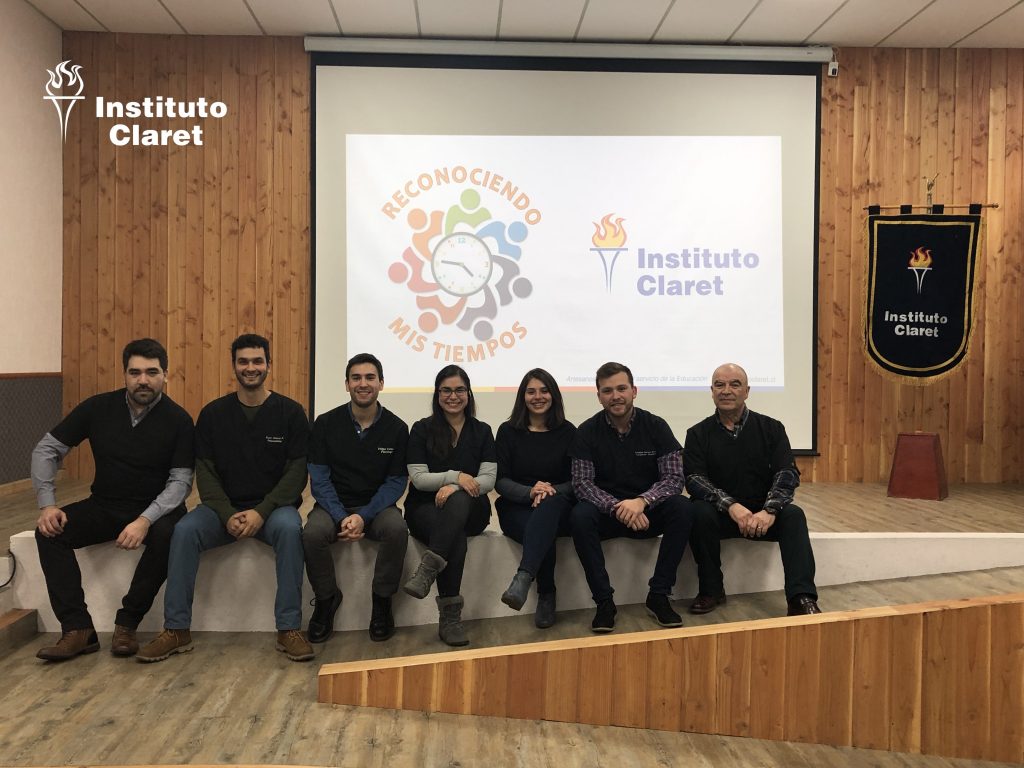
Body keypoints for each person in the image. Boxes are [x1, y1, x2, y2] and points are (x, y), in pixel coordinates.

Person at [136, 333, 313, 662]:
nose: (250, 367)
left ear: (269, 365)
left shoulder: (290, 413)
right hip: (221, 512)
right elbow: (204, 472)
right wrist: (227, 513)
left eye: (257, 361)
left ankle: (289, 628)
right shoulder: (213, 414)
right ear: (234, 366)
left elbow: (296, 473)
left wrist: (261, 511)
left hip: (273, 511)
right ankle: (177, 629)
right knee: (184, 530)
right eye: (243, 361)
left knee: (291, 531)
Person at [32, 338, 195, 661]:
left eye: (152, 372)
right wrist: (47, 504)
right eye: (135, 372)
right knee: (49, 532)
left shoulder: (179, 420)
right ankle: (78, 629)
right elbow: (46, 450)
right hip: (105, 504)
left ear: (165, 375)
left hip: (158, 511)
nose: (143, 380)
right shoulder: (97, 408)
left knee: (171, 534)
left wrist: (144, 520)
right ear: (125, 375)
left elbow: (180, 483)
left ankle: (127, 624)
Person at [683, 362, 821, 616]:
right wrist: (732, 507)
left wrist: (770, 510)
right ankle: (711, 589)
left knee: (794, 515)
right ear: (712, 392)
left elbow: (787, 473)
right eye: (719, 385)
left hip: (763, 515)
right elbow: (694, 479)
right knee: (698, 512)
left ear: (747, 391)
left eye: (734, 384)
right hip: (722, 514)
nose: (726, 390)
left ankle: (800, 596)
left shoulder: (772, 428)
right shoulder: (697, 433)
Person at [570, 361, 692, 633]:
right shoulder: (586, 432)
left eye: (621, 388)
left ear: (634, 391)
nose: (615, 396)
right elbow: (582, 484)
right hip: (608, 514)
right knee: (579, 515)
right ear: (599, 396)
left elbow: (674, 478)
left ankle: (659, 594)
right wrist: (617, 507)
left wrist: (641, 502)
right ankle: (604, 602)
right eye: (607, 391)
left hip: (647, 511)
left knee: (683, 507)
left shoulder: (656, 426)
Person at [302, 353, 410, 644]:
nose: (363, 384)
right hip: (332, 507)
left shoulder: (397, 428)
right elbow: (319, 478)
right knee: (312, 534)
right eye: (356, 378)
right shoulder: (325, 424)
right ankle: (326, 599)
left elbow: (396, 482)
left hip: (377, 508)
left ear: (381, 383)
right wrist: (341, 516)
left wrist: (363, 516)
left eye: (370, 377)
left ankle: (382, 602)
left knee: (397, 529)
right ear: (346, 384)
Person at [402, 365, 496, 647]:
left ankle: (428, 568)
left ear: (468, 393)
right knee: (454, 536)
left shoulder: (482, 431)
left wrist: (455, 487)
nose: (453, 396)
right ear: (437, 394)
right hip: (424, 510)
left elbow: (488, 480)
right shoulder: (421, 429)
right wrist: (456, 476)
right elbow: (419, 479)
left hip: (473, 510)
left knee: (459, 501)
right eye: (446, 390)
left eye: (459, 390)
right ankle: (450, 618)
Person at [496, 368, 576, 628]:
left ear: (554, 395)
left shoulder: (568, 432)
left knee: (547, 514)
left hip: (558, 505)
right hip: (516, 508)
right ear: (523, 396)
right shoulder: (507, 431)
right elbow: (500, 480)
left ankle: (525, 576)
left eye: (544, 391)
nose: (538, 397)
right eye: (531, 391)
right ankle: (547, 594)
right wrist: (530, 492)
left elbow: (577, 481)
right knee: (541, 527)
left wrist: (549, 491)